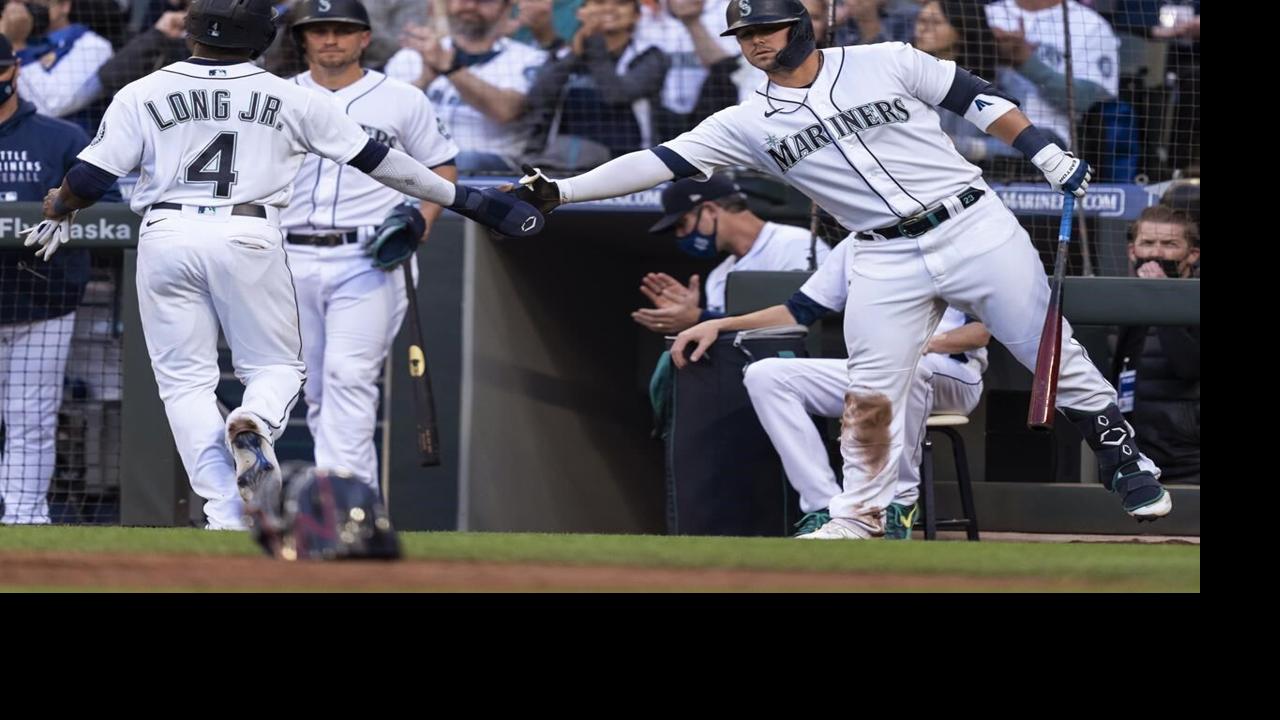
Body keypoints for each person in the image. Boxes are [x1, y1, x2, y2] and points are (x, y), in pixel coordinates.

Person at [507, 0, 1170, 539]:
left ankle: (1121, 455)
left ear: (798, 24)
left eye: (764, 28)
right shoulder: (746, 121)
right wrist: (566, 191)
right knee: (871, 389)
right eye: (744, 34)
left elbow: (973, 96)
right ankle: (863, 512)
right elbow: (661, 160)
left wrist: (1042, 151)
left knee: (1042, 346)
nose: (755, 43)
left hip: (970, 220)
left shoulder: (885, 59)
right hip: (880, 250)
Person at [20, 0, 542, 529]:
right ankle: (256, 418)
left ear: (192, 33)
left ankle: (226, 515)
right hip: (249, 232)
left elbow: (87, 180)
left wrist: (60, 207)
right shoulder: (287, 94)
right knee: (277, 369)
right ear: (265, 40)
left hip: (166, 233)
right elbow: (382, 163)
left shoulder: (145, 90)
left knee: (185, 384)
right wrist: (466, 201)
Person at [282, 0, 458, 488]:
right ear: (303, 38)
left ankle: (350, 507)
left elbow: (441, 167)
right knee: (315, 388)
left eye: (342, 29)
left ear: (364, 38)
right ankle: (338, 493)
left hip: (367, 258)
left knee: (348, 376)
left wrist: (419, 223)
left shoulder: (401, 98)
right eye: (320, 30)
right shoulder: (276, 96)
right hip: (287, 257)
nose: (331, 39)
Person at [0, 33, 118, 523]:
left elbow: (113, 209)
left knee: (30, 418)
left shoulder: (61, 136)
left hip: (44, 301)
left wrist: (67, 214)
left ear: (14, 70)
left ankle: (24, 515)